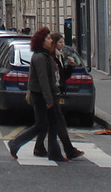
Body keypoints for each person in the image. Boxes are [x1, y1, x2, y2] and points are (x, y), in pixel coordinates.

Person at [6, 27, 65, 162]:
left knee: (52, 124)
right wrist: (49, 100)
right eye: (48, 38)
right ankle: (15, 143)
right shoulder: (39, 57)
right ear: (41, 41)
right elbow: (43, 80)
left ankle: (54, 153)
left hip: (45, 95)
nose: (51, 41)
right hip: (41, 96)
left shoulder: (44, 55)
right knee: (41, 125)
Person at [34, 32, 84, 160]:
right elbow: (46, 79)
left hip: (55, 92)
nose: (63, 44)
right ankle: (69, 150)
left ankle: (39, 147)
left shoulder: (59, 56)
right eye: (60, 42)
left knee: (46, 123)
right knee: (58, 122)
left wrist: (71, 66)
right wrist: (48, 98)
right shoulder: (48, 57)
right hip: (50, 93)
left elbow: (63, 77)